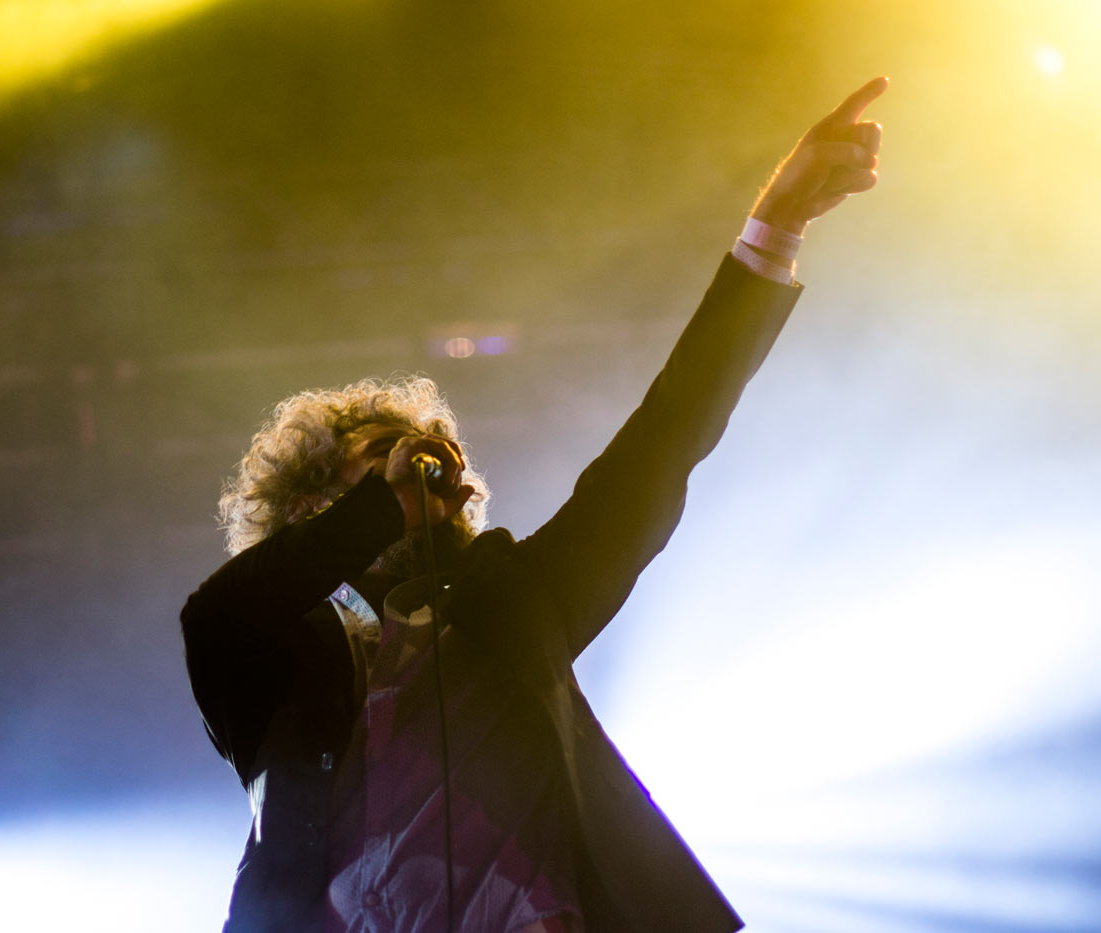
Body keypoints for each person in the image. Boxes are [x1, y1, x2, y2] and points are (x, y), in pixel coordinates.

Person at [181, 77, 889, 933]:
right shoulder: (276, 665)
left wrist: (774, 228)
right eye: (378, 460)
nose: (413, 477)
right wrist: (381, 509)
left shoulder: (515, 606)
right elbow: (214, 618)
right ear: (311, 504)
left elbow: (661, 444)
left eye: (424, 465)